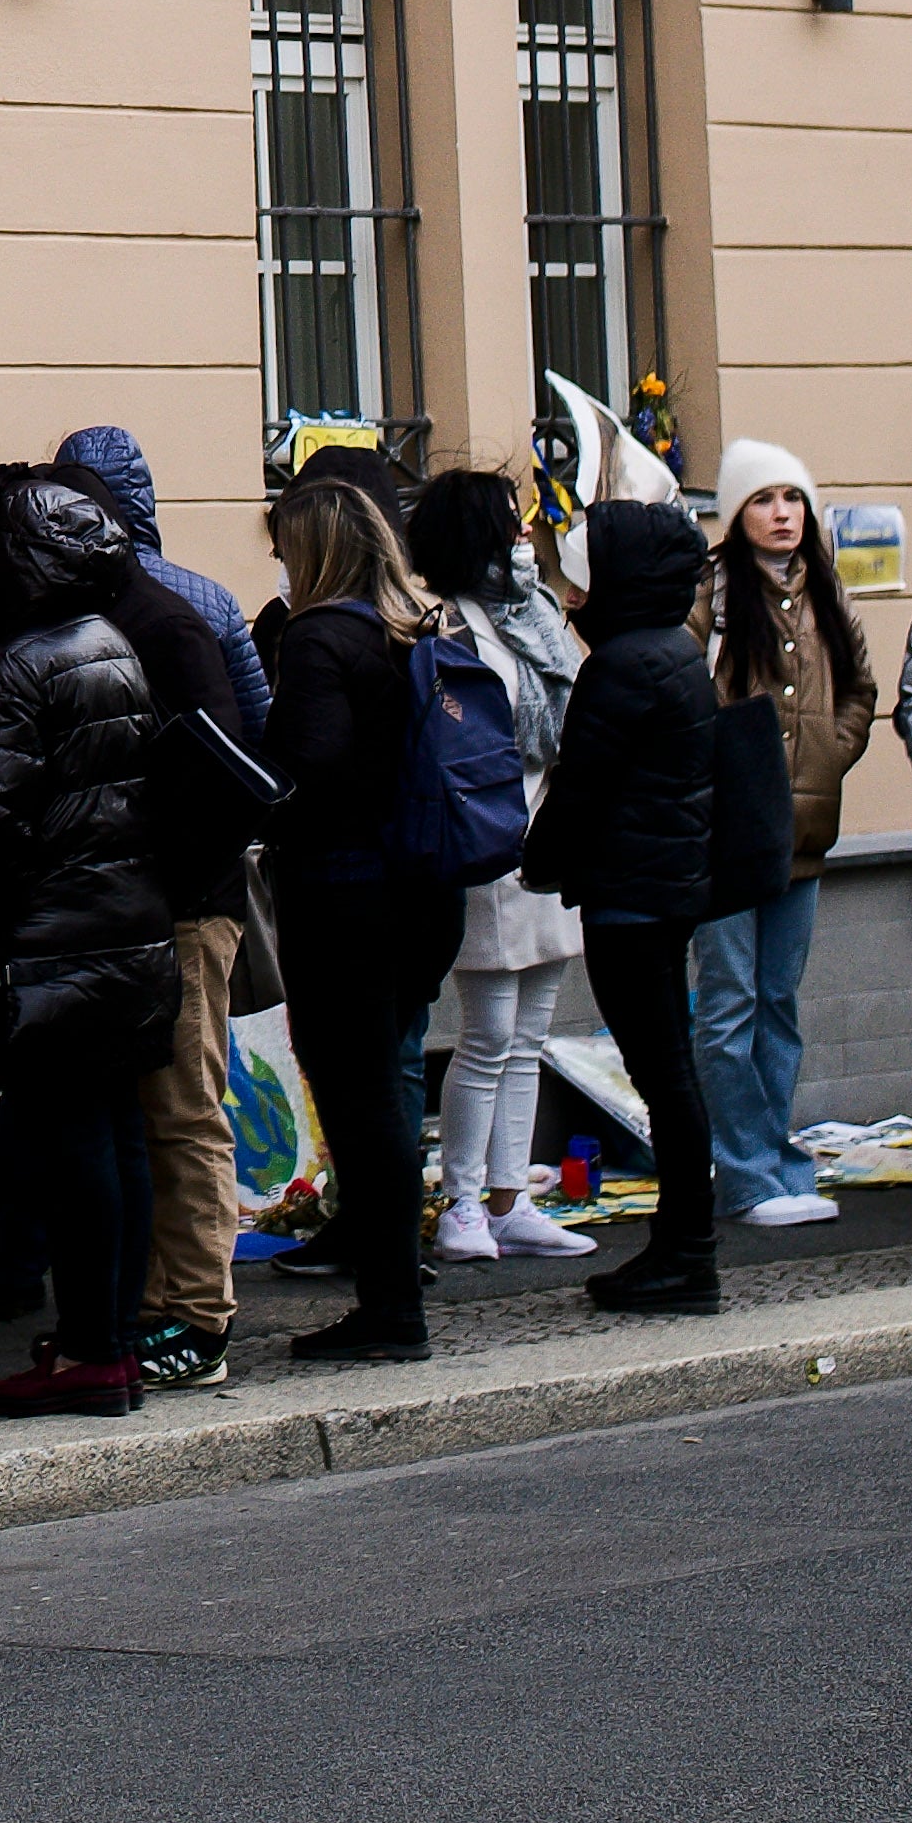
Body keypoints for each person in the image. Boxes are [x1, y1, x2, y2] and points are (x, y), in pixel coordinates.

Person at [0, 461, 177, 1405]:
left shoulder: (24, 664)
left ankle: (90, 1352)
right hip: (121, 933)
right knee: (113, 1139)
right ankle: (107, 1337)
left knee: (74, 1149)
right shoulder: (111, 642)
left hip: (55, 943)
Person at [50, 427, 266, 1393]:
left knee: (180, 1113)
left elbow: (234, 771)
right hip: (128, 907)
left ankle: (197, 1317)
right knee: (137, 1119)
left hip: (178, 907)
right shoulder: (100, 618)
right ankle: (150, 1307)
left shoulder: (173, 621)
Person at [252, 466, 454, 1363]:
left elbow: (311, 773)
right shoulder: (412, 631)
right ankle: (394, 1297)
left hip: (342, 895)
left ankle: (389, 1310)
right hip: (420, 889)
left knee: (358, 1100)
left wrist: (253, 780)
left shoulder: (318, 639)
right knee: (386, 1099)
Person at [522, 497, 731, 1319]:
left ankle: (687, 1254)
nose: (578, 590)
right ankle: (683, 1249)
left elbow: (581, 789)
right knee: (670, 1072)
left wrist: (534, 860)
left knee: (664, 1077)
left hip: (631, 898)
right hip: (664, 887)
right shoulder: (670, 649)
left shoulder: (622, 664)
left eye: (592, 571)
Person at [404, 466, 593, 1269]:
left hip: (547, 841)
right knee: (484, 1036)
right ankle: (462, 1206)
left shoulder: (539, 612)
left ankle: (513, 1199)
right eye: (508, 523)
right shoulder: (445, 627)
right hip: (483, 846)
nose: (524, 534)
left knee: (530, 1036)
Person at [694, 444, 867, 1231]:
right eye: (763, 500)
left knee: (777, 1004)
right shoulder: (714, 596)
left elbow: (860, 687)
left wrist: (833, 746)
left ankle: (779, 1159)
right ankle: (744, 1172)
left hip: (803, 834)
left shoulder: (825, 594)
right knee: (727, 1007)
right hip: (728, 834)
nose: (781, 514)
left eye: (792, 499)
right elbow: (683, 685)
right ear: (735, 513)